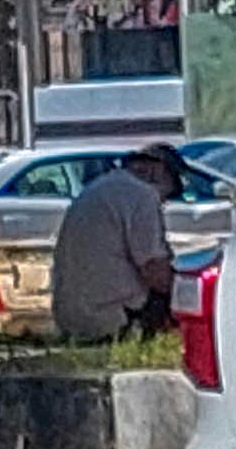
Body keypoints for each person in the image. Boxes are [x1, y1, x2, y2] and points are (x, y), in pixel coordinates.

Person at [49, 141, 188, 346]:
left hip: (71, 318)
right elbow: (154, 269)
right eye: (168, 192)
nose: (164, 202)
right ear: (157, 171)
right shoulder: (141, 194)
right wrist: (185, 294)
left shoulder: (98, 188)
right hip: (113, 318)